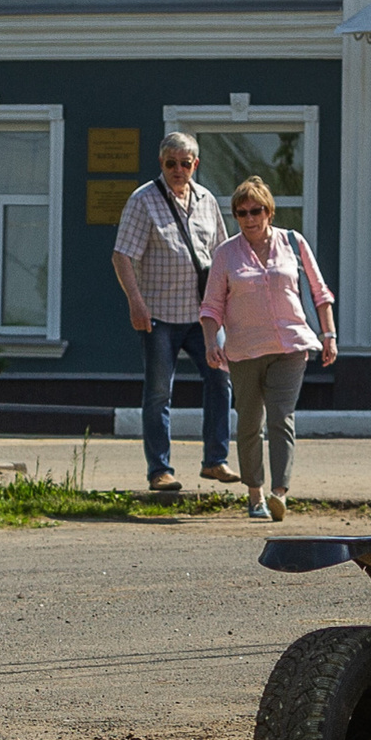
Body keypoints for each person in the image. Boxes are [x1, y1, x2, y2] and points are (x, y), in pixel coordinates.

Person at [197, 175, 334, 522]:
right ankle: (254, 493)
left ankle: (279, 493)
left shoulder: (293, 242)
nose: (249, 218)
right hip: (243, 351)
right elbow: (211, 306)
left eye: (256, 210)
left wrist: (329, 335)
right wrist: (212, 342)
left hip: (290, 347)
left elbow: (320, 292)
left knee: (281, 418)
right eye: (241, 213)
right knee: (249, 423)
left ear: (269, 212)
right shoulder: (226, 253)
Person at [110, 132, 238, 494]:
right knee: (158, 394)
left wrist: (229, 305)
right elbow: (122, 255)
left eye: (186, 163)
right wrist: (136, 302)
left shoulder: (207, 199)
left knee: (220, 381)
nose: (179, 170)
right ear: (161, 164)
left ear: (195, 164)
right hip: (159, 315)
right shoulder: (144, 200)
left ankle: (215, 460)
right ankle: (160, 470)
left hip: (203, 315)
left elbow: (222, 254)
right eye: (171, 163)